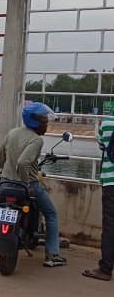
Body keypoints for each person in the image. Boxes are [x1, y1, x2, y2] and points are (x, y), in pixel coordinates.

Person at [0, 102, 67, 267]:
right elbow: (23, 162)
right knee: (51, 214)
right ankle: (52, 255)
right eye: (44, 121)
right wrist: (26, 182)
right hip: (27, 185)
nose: (46, 124)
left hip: (5, 184)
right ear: (35, 122)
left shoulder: (12, 133)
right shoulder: (37, 140)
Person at [82, 115, 114, 281]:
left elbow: (102, 145)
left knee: (110, 226)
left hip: (111, 182)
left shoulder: (107, 123)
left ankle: (105, 269)